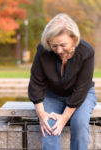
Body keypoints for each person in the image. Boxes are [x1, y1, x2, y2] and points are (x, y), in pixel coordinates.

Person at [28, 13, 97, 150]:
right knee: (49, 125)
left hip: (81, 95)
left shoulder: (86, 52)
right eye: (54, 46)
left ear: (74, 39)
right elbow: (36, 83)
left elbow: (81, 88)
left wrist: (64, 117)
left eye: (63, 45)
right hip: (52, 95)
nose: (59, 50)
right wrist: (42, 115)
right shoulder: (43, 50)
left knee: (80, 123)